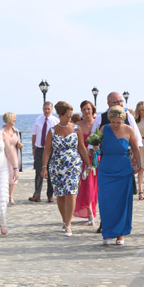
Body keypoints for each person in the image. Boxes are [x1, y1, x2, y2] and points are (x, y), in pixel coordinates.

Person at [91, 92, 143, 233]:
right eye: (112, 122)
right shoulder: (102, 124)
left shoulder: (129, 123)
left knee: (122, 200)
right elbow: (93, 142)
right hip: (106, 167)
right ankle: (106, 226)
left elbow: (137, 145)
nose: (115, 125)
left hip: (123, 167)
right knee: (105, 199)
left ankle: (121, 232)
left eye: (120, 101)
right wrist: (95, 150)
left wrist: (138, 163)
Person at [41, 101, 92, 236]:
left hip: (73, 165)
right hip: (56, 166)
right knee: (60, 195)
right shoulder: (52, 131)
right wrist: (44, 166)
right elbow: (47, 150)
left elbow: (81, 147)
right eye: (68, 114)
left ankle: (68, 224)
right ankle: (65, 221)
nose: (70, 116)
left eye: (71, 114)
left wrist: (88, 164)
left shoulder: (76, 129)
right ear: (61, 114)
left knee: (71, 193)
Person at [74, 100, 99, 225]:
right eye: (84, 109)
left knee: (96, 187)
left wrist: (95, 150)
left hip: (96, 159)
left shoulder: (97, 124)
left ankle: (94, 210)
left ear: (92, 110)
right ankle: (89, 213)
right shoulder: (77, 125)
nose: (86, 111)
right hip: (83, 159)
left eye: (88, 109)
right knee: (87, 185)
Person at [30, 102, 59, 203]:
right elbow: (34, 134)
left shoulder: (55, 121)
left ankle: (50, 195)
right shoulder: (38, 120)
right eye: (45, 109)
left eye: (48, 109)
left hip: (51, 150)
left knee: (50, 172)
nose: (46, 111)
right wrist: (33, 148)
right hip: (39, 149)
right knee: (38, 172)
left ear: (52, 110)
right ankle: (37, 195)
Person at [2, 112, 23, 204]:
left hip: (14, 154)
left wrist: (19, 144)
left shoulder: (16, 131)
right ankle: (4, 196)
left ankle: (11, 197)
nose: (15, 120)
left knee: (13, 176)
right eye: (14, 118)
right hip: (4, 155)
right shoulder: (1, 131)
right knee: (5, 176)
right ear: (9, 119)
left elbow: (18, 141)